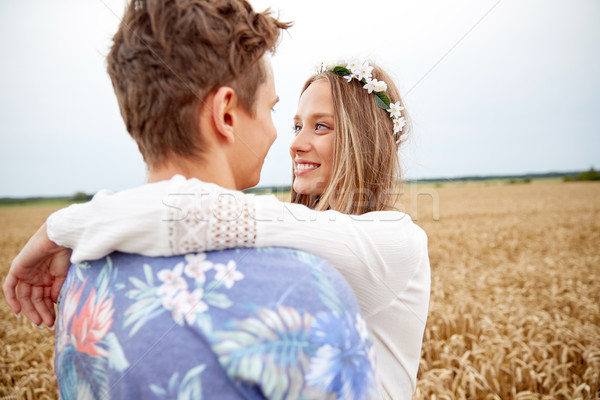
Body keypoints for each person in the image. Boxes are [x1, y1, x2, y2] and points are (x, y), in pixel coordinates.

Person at [2, 1, 381, 399]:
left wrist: (63, 225)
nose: (279, 137)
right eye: (272, 110)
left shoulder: (78, 279)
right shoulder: (309, 293)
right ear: (227, 115)